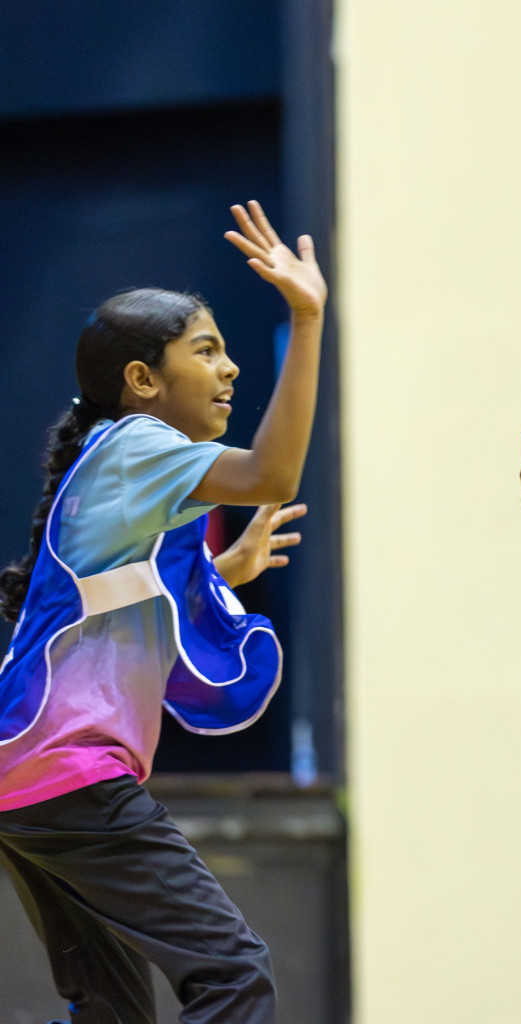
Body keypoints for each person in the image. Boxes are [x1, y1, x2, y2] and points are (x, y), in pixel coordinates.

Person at [0, 200, 325, 1024]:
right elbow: (272, 475)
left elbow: (105, 600)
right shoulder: (139, 445)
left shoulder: (120, 470)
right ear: (143, 381)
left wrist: (221, 567)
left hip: (27, 778)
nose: (231, 371)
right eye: (206, 352)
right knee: (236, 975)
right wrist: (308, 315)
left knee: (110, 1011)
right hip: (68, 774)